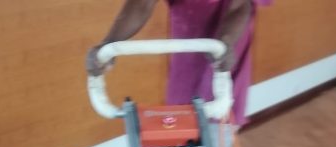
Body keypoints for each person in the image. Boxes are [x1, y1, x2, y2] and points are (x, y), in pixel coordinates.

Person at [86, 0, 271, 127]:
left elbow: (240, 5)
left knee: (215, 143)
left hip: (224, 59)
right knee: (184, 135)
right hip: (187, 65)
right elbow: (142, 4)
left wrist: (225, 43)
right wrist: (108, 44)